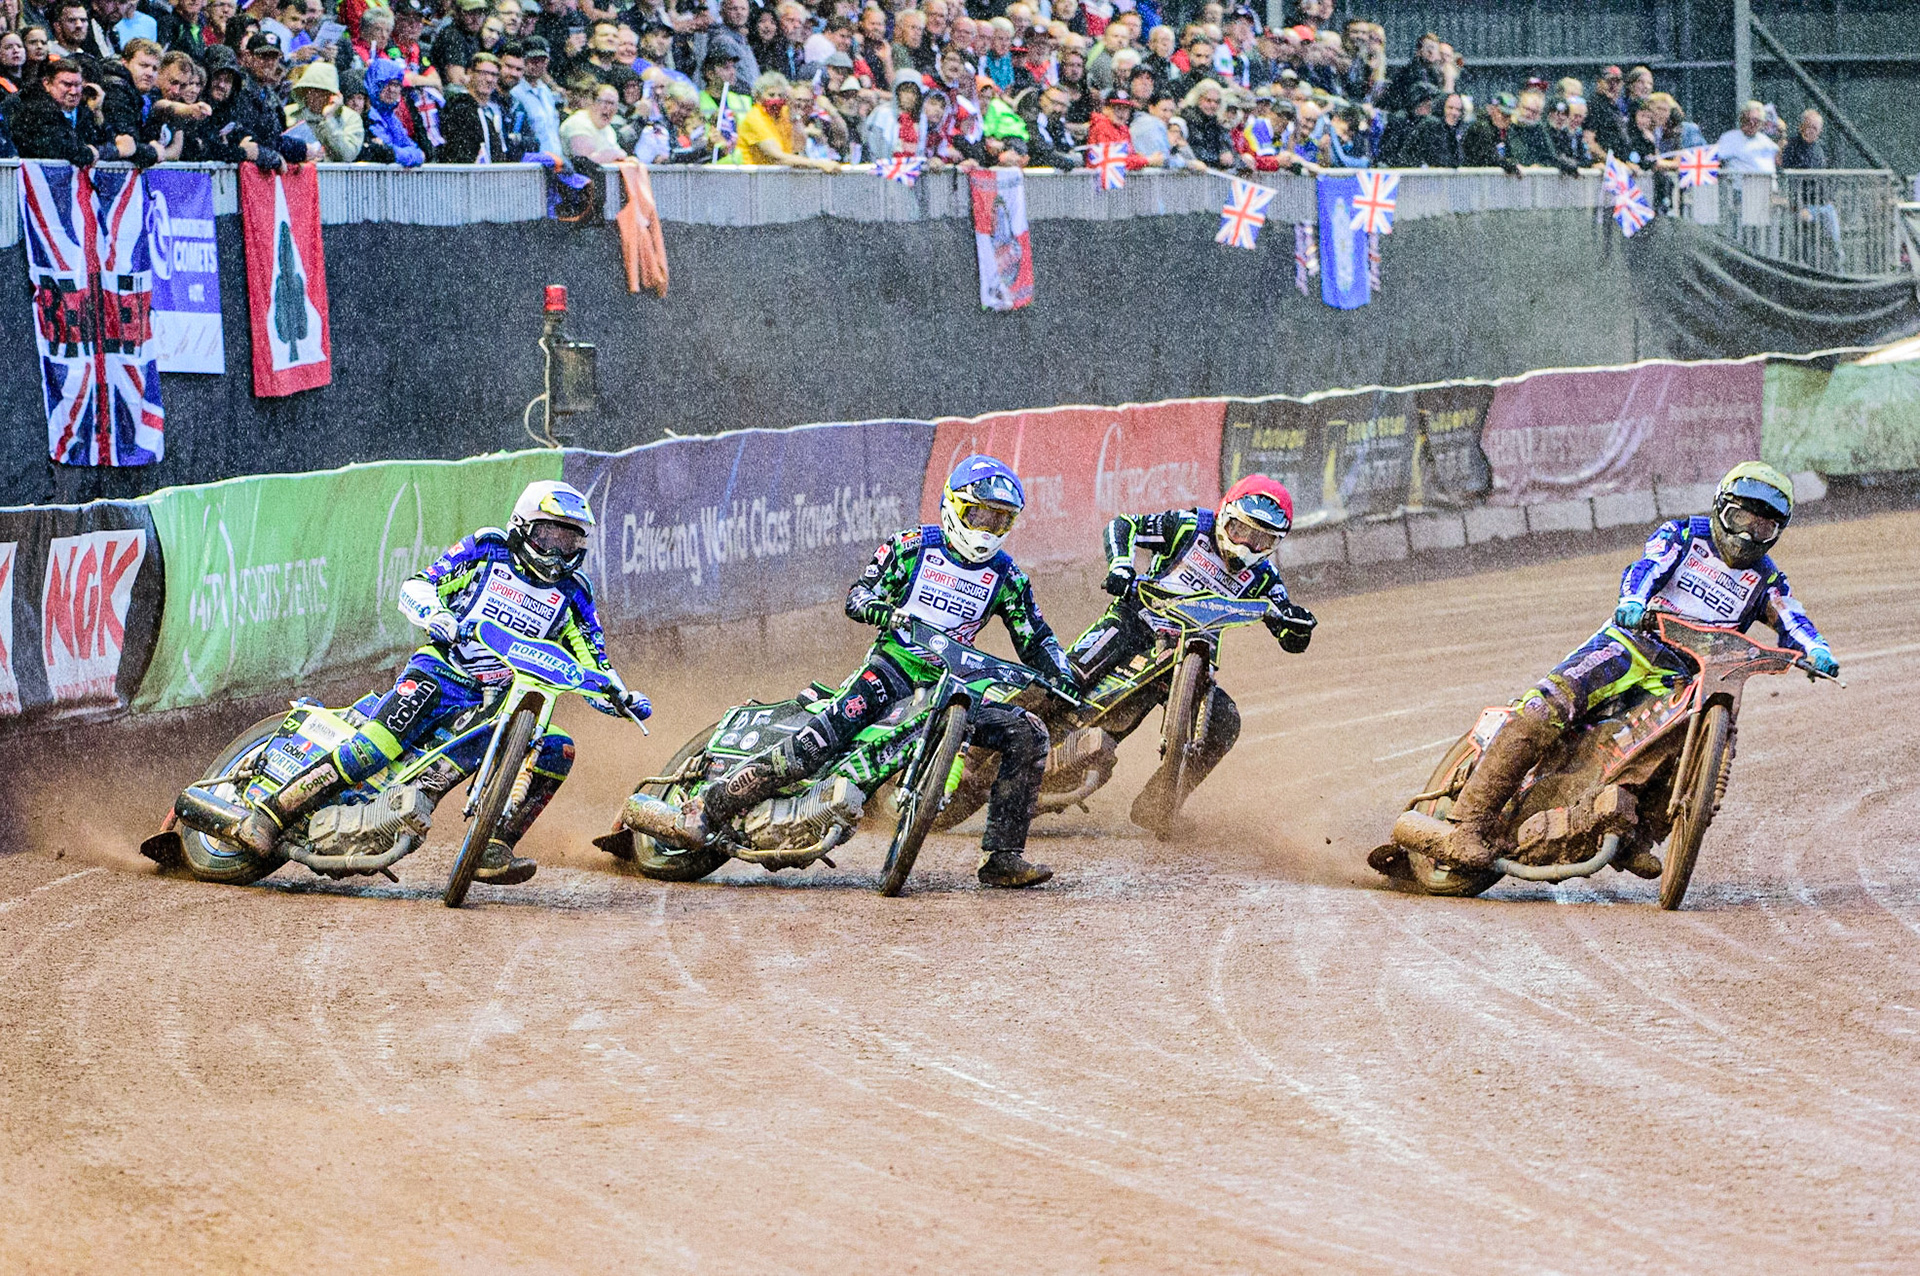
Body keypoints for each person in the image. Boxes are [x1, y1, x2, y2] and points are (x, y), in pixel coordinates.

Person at [665, 456, 1074, 889]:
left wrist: (1063, 675)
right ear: (954, 505)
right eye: (980, 515)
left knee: (1028, 731)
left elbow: (1035, 638)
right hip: (892, 668)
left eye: (1000, 521)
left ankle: (1002, 857)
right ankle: (711, 807)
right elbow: (858, 594)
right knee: (816, 745)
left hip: (955, 683)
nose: (987, 529)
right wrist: (881, 609)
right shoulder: (911, 546)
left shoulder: (1008, 577)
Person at [226, 482, 650, 887]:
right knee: (377, 746)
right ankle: (270, 814)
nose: (558, 552)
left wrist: (622, 698)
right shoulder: (488, 549)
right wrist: (436, 615)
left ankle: (493, 845)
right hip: (441, 670)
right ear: (523, 525)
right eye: (550, 536)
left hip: (497, 701)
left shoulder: (575, 593)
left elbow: (595, 662)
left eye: (570, 541)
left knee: (558, 748)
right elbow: (418, 585)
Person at [1427, 463, 1838, 873]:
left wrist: (1815, 651)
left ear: (1776, 533)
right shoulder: (1682, 536)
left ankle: (1635, 835)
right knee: (1546, 708)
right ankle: (1468, 822)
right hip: (1631, 644)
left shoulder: (1766, 580)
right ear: (1720, 508)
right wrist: (1634, 601)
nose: (1748, 534)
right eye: (1741, 518)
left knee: (1673, 750)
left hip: (1681, 676)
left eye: (1762, 527)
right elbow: (1647, 568)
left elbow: (1792, 619)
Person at [1068, 476, 1317, 833]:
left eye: (1261, 540)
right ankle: (993, 739)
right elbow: (1124, 525)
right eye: (1240, 530)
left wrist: (1298, 624)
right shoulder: (1189, 526)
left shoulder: (1264, 578)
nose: (1246, 545)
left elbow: (1289, 633)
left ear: (1275, 543)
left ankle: (1161, 803)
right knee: (1066, 676)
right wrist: (1121, 566)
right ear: (1224, 515)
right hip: (1135, 620)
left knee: (1225, 722)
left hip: (1188, 655)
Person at [283, 56, 364, 158]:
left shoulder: (351, 118)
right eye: (311, 90)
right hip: (297, 171)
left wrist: (329, 119)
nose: (316, 96)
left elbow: (347, 155)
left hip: (333, 173)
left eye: (323, 91)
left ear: (333, 94)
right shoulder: (288, 114)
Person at [1714, 99, 1777, 174]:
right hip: (1739, 183)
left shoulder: (1767, 142)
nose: (1752, 124)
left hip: (1765, 183)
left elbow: (1777, 161)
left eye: (1756, 121)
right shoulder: (1730, 138)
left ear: (1762, 123)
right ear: (1741, 120)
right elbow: (1714, 161)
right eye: (1747, 120)